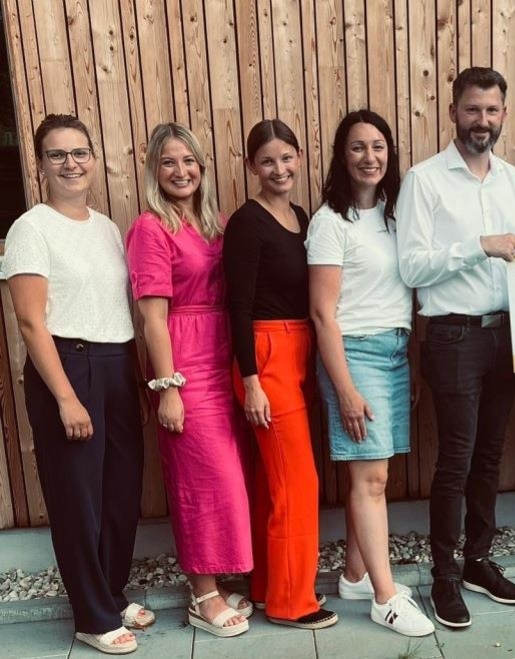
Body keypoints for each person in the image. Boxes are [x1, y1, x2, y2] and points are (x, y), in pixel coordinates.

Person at [396, 67, 515, 628]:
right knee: (456, 459)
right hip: (452, 336)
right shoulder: (424, 180)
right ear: (453, 112)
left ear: (504, 114)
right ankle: (444, 575)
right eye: (473, 109)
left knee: (489, 457)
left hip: (505, 336)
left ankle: (478, 561)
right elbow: (412, 266)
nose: (483, 120)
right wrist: (479, 246)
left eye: (492, 110)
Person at [2, 114, 147, 655]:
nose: (71, 163)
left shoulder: (106, 228)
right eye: (57, 154)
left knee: (121, 492)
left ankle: (110, 592)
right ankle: (92, 615)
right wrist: (66, 397)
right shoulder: (31, 228)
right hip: (67, 366)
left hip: (117, 363)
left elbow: (117, 308)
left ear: (93, 158)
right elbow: (30, 321)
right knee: (78, 499)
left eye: (79, 152)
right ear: (40, 164)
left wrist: (135, 378)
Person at [307, 110, 435, 637]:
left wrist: (413, 364)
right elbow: (322, 315)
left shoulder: (396, 215)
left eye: (378, 146)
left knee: (374, 474)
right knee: (371, 478)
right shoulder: (329, 223)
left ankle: (356, 575)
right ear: (342, 156)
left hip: (395, 351)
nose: (369, 157)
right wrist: (344, 389)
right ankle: (385, 599)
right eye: (358, 147)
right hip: (355, 354)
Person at [126, 122, 252, 638]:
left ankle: (218, 580)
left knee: (228, 478)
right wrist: (168, 387)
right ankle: (202, 595)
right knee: (201, 479)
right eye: (168, 162)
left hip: (222, 359)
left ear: (202, 166)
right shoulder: (151, 228)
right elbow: (153, 319)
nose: (181, 171)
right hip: (185, 363)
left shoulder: (215, 223)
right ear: (154, 171)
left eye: (188, 161)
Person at [223, 120, 337, 629]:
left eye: (286, 157)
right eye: (267, 161)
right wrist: (250, 381)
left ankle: (269, 586)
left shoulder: (300, 215)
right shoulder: (246, 223)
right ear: (252, 166)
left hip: (298, 349)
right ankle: (293, 602)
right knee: (297, 482)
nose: (279, 168)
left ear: (299, 157)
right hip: (265, 356)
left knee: (275, 481)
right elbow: (238, 308)